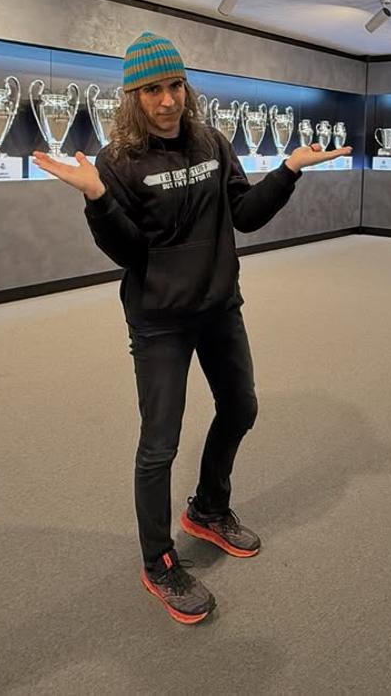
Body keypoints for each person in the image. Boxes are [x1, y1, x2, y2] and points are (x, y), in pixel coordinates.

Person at [33, 32, 350, 624]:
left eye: (175, 85)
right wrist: (98, 197)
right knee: (159, 444)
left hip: (218, 304)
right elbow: (129, 252)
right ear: (134, 96)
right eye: (153, 89)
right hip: (160, 320)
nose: (167, 100)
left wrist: (288, 170)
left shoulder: (211, 140)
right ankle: (158, 560)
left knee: (242, 407)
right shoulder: (118, 162)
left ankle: (207, 508)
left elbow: (247, 215)